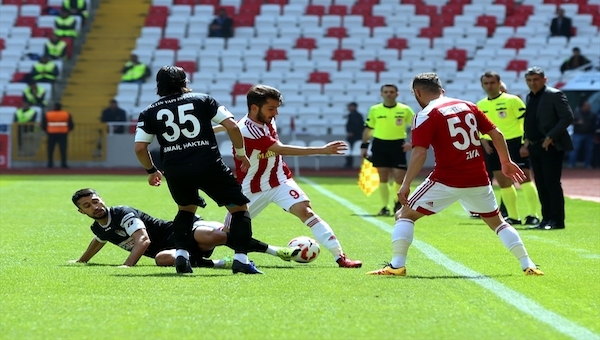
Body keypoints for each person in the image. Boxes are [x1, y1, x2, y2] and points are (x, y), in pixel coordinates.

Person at [367, 72, 544, 276]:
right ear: (442, 91)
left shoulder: (425, 114)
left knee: (403, 215)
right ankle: (527, 264)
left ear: (417, 93)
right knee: (498, 223)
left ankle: (397, 266)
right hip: (478, 178)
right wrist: (506, 161)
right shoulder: (468, 105)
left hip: (446, 179)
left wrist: (406, 184)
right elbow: (496, 133)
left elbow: (419, 152)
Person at [134, 65, 260, 275]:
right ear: (185, 82)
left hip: (175, 169)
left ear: (159, 86)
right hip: (208, 165)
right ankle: (241, 259)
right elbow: (232, 126)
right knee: (239, 208)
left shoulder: (149, 112)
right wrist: (240, 152)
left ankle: (182, 256)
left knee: (185, 209)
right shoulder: (203, 100)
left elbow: (139, 147)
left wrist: (151, 170)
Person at [220, 85, 362, 268]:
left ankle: (340, 257)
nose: (275, 113)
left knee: (306, 212)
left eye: (277, 108)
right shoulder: (248, 129)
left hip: (279, 180)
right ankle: (194, 248)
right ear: (255, 107)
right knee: (226, 234)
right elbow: (280, 149)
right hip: (251, 187)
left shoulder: (265, 119)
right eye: (271, 108)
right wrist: (322, 150)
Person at [70, 188, 299, 268]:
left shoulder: (122, 212)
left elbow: (144, 241)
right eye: (88, 206)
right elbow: (98, 240)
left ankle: (276, 251)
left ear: (102, 199)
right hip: (173, 251)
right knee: (162, 259)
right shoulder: (98, 228)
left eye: (96, 201)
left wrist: (127, 265)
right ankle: (218, 264)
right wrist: (82, 260)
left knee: (217, 235)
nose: (95, 206)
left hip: (181, 231)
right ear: (82, 212)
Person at [477, 71, 540, 226]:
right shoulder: (480, 105)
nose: (489, 86)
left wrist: (526, 144)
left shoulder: (513, 100)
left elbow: (528, 124)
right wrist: (485, 143)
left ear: (499, 83)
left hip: (514, 143)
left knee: (524, 179)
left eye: (492, 82)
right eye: (486, 83)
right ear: (482, 85)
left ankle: (533, 214)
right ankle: (513, 216)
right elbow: (479, 128)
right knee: (503, 182)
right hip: (492, 146)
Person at [521, 67, 574, 230]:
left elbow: (567, 117)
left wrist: (551, 136)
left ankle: (557, 220)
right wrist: (526, 141)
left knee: (551, 183)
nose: (532, 83)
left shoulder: (554, 94)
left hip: (551, 145)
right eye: (529, 80)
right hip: (535, 146)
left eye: (536, 79)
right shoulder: (530, 97)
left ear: (545, 80)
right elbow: (530, 122)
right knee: (541, 183)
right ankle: (546, 219)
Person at [360, 84, 415, 216]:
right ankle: (384, 207)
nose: (388, 94)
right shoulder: (375, 109)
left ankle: (397, 202)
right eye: (386, 92)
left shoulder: (405, 109)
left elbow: (416, 126)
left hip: (398, 145)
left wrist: (411, 143)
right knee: (383, 176)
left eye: (391, 92)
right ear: (381, 94)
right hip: (379, 145)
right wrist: (364, 145)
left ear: (397, 94)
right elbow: (369, 129)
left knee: (399, 177)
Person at [42, 102, 74, 169]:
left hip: (51, 134)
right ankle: (63, 163)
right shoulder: (66, 114)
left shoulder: (48, 114)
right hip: (63, 134)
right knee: (63, 149)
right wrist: (66, 131)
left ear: (54, 107)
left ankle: (50, 164)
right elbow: (71, 125)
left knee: (50, 150)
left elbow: (43, 125)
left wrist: (47, 131)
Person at [568, 101, 596, 169]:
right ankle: (571, 164)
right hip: (578, 134)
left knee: (589, 150)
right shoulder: (576, 113)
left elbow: (594, 123)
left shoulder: (592, 114)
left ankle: (588, 164)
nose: (589, 107)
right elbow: (569, 121)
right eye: (587, 105)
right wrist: (577, 123)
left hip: (589, 134)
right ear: (582, 106)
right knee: (575, 149)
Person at [344, 102, 364, 169]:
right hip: (355, 135)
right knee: (348, 149)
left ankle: (350, 164)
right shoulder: (352, 115)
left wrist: (352, 132)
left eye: (350, 106)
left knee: (355, 149)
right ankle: (349, 163)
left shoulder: (356, 116)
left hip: (356, 136)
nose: (348, 108)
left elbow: (358, 126)